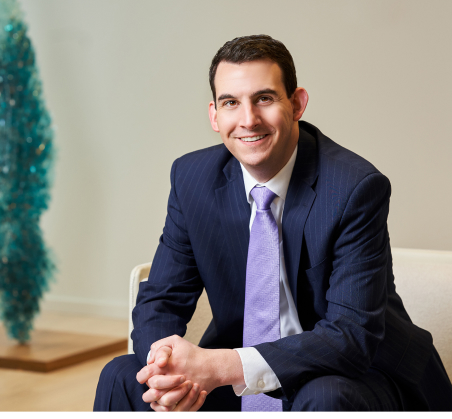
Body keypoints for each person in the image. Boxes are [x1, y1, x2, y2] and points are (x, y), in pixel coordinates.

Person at [94, 35, 452, 411]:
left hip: (360, 374)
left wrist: (218, 366)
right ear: (214, 115)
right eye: (231, 103)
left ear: (296, 104)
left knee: (324, 396)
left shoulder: (353, 188)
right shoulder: (192, 179)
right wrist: (164, 368)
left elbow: (350, 336)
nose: (248, 119)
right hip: (244, 376)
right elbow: (161, 300)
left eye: (264, 98)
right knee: (121, 375)